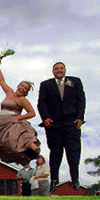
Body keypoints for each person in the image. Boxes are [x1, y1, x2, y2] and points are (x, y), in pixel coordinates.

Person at [37, 62, 85, 191]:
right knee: (55, 153)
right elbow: (41, 103)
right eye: (56, 69)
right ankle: (54, 180)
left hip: (72, 123)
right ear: (53, 71)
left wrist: (80, 118)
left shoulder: (75, 81)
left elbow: (81, 100)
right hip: (54, 124)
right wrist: (45, 118)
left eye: (61, 68)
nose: (59, 70)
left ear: (65, 70)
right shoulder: (46, 84)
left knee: (73, 152)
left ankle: (75, 179)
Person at [0, 58, 40, 165]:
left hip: (13, 121)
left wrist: (19, 118)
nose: (22, 88)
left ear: (26, 92)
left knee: (21, 131)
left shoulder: (22, 100)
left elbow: (32, 113)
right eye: (22, 85)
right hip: (2, 123)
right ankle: (20, 156)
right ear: (18, 86)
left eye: (25, 88)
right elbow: (1, 81)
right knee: (6, 143)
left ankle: (31, 145)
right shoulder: (9, 92)